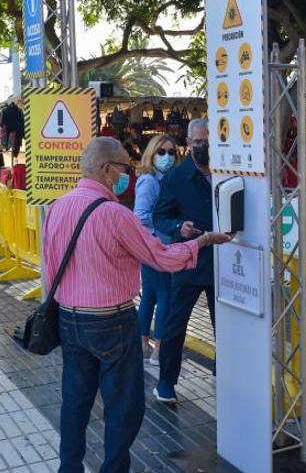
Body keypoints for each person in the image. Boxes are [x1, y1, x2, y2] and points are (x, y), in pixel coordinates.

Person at [43, 137, 232, 473]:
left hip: (69, 320)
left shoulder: (58, 207)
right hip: (111, 322)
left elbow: (50, 264)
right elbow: (160, 257)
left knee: (75, 402)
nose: (127, 175)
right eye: (123, 167)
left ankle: (68, 468)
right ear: (106, 169)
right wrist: (203, 241)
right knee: (124, 406)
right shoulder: (115, 215)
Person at [153, 118, 217, 403]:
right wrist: (179, 227)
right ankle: (166, 382)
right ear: (189, 144)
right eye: (199, 142)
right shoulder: (175, 178)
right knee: (175, 324)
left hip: (224, 263)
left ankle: (225, 371)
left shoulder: (228, 171)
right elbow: (160, 218)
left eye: (208, 141)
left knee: (225, 325)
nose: (204, 146)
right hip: (188, 260)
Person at [134, 134, 181, 365]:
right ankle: (159, 348)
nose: (167, 157)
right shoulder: (150, 181)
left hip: (154, 246)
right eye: (161, 152)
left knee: (151, 295)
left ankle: (142, 344)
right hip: (157, 246)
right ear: (151, 154)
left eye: (172, 152)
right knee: (164, 296)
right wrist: (166, 225)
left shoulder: (165, 179)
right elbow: (140, 216)